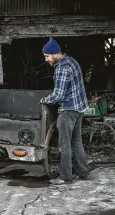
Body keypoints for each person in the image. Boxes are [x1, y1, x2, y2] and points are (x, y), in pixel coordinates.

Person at [40, 37, 90, 185]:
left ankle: (65, 177)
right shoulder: (72, 61)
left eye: (47, 56)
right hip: (79, 108)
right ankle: (83, 172)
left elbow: (58, 95)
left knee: (64, 145)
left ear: (55, 54)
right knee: (77, 142)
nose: (46, 60)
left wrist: (44, 100)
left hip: (68, 110)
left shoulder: (62, 68)